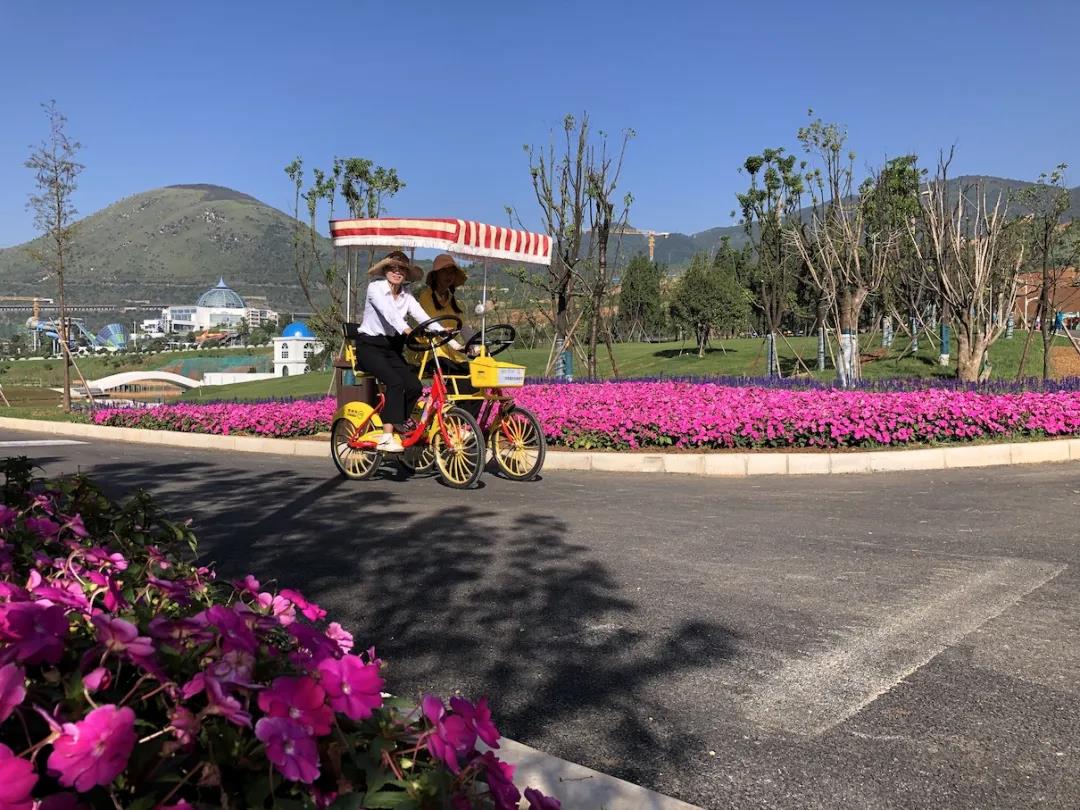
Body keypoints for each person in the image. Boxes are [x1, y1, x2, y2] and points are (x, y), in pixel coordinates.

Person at [354, 250, 447, 453]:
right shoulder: (375, 288)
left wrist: (442, 331)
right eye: (393, 268)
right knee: (395, 382)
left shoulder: (406, 294)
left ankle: (398, 422)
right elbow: (390, 314)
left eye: (402, 270)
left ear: (406, 274)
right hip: (369, 347)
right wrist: (406, 330)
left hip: (391, 348)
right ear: (385, 270)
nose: (397, 273)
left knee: (414, 386)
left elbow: (421, 315)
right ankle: (386, 437)